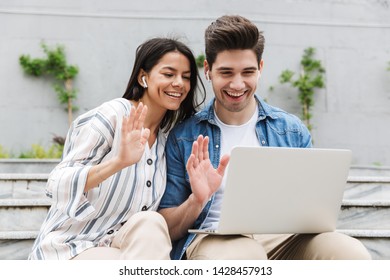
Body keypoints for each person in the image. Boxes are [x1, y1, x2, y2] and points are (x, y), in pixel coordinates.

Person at [158, 15, 371, 260]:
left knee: (350, 253)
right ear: (208, 70)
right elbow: (169, 229)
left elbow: (315, 209)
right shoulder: (184, 137)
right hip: (212, 237)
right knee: (247, 255)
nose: (237, 84)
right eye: (226, 72)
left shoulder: (290, 130)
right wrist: (197, 200)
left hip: (283, 239)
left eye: (247, 72)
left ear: (260, 68)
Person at [28, 37, 205, 260]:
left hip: (124, 247)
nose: (179, 83)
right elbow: (57, 183)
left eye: (186, 77)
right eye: (169, 74)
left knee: (151, 222)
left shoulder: (165, 140)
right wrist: (117, 163)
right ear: (144, 77)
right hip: (72, 247)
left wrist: (198, 198)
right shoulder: (111, 116)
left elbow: (157, 229)